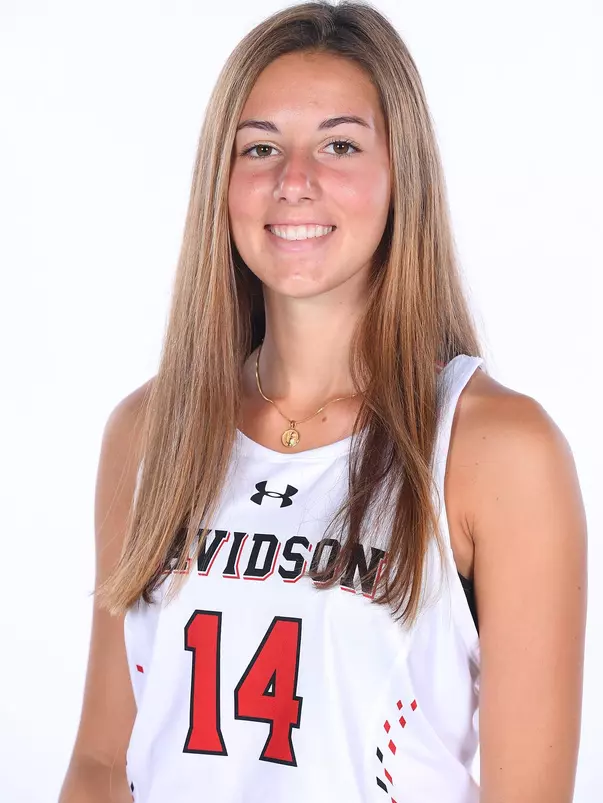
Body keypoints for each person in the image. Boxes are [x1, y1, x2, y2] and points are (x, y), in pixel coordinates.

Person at [59, 2, 587, 802]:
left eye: (338, 145)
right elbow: (102, 762)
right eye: (260, 148)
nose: (293, 180)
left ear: (399, 173)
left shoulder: (497, 449)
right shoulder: (148, 432)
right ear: (222, 181)